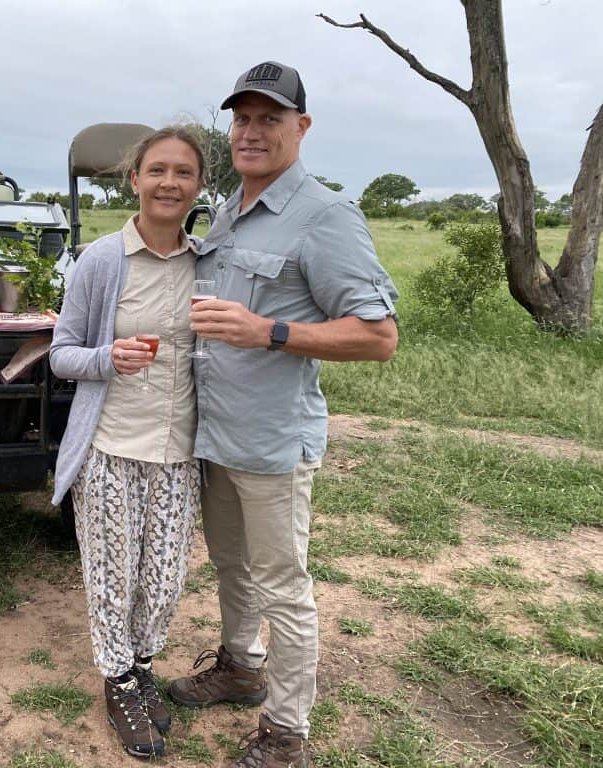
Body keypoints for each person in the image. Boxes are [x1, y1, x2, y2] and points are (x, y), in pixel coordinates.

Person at [167, 62, 400, 768]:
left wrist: (267, 331)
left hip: (271, 442)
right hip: (216, 435)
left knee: (283, 587)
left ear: (302, 127)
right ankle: (241, 668)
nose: (251, 132)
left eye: (269, 118)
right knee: (231, 566)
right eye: (241, 118)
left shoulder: (326, 217)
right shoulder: (228, 211)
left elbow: (378, 336)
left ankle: (286, 733)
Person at [50, 126, 206, 759]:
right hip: (111, 447)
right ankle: (117, 682)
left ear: (199, 185)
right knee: (113, 577)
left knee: (163, 580)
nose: (170, 183)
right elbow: (60, 354)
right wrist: (107, 357)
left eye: (184, 172)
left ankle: (141, 665)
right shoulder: (102, 260)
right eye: (157, 170)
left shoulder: (207, 262)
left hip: (180, 451)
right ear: (134, 179)